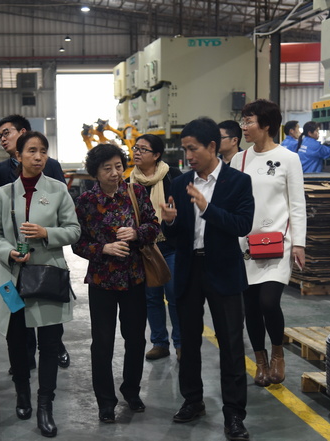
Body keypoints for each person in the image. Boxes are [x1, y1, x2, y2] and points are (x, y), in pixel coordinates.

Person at [161, 117, 254, 441]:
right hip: (189, 269)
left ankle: (234, 414)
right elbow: (176, 237)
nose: (188, 156)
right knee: (188, 341)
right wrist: (169, 222)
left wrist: (207, 208)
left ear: (212, 146)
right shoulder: (179, 184)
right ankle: (192, 400)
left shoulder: (238, 182)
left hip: (224, 270)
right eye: (185, 149)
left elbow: (242, 225)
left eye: (193, 149)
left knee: (231, 344)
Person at [0, 114, 71, 369]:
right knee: (18, 315)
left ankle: (56, 347)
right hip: (14, 262)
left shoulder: (50, 168)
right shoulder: (3, 172)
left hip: (44, 259)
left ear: (23, 132)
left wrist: (46, 233)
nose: (3, 139)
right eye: (0, 136)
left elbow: (66, 217)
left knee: (48, 311)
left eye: (6, 133)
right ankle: (23, 360)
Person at [0, 131, 80, 438]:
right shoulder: (3, 194)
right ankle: (22, 393)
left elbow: (74, 230)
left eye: (43, 151)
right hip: (11, 280)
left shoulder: (58, 190)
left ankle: (45, 406)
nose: (38, 157)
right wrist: (8, 252)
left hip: (48, 277)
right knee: (16, 340)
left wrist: (46, 233)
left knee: (49, 344)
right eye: (32, 151)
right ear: (19, 156)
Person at [73, 143, 160, 423]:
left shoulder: (136, 192)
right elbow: (77, 243)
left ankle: (131, 391)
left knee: (135, 339)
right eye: (107, 168)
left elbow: (153, 226)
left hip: (134, 278)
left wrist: (136, 233)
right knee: (102, 343)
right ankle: (105, 401)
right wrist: (104, 249)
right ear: (95, 172)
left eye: (119, 166)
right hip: (102, 281)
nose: (114, 173)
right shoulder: (85, 201)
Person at [231, 99, 306, 389]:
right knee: (250, 307)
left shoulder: (288, 158)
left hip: (278, 244)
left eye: (249, 121)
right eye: (243, 121)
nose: (244, 126)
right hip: (245, 246)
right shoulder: (239, 160)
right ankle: (260, 362)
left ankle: (277, 353)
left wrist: (298, 244)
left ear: (266, 125)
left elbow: (297, 204)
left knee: (268, 302)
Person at [127, 134, 182, 361]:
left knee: (175, 296)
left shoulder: (173, 177)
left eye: (143, 149)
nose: (137, 153)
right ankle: (159, 343)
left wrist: (172, 219)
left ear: (157, 155)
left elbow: (184, 213)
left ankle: (181, 343)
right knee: (152, 298)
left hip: (170, 245)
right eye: (136, 148)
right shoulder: (130, 181)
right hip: (145, 248)